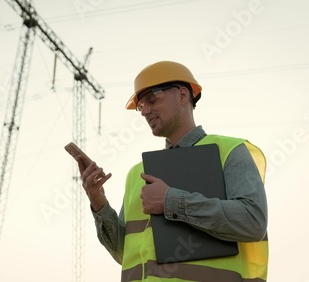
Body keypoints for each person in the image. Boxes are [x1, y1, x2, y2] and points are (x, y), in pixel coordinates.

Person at [77, 61, 268, 281]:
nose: (145, 111)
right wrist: (98, 202)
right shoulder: (137, 173)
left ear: (182, 94)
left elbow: (253, 223)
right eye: (141, 106)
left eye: (152, 99)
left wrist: (170, 201)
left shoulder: (230, 151)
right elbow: (123, 253)